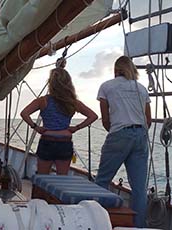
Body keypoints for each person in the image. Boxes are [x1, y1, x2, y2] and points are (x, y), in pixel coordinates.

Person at [95, 56, 151, 227]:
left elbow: (105, 120)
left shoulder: (106, 87)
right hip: (141, 135)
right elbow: (148, 120)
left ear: (116, 69)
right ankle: (138, 226)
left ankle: (99, 221)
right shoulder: (141, 89)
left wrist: (117, 133)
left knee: (103, 180)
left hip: (119, 133)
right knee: (139, 189)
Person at [20, 67, 98, 175]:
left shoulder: (43, 101)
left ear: (51, 83)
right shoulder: (73, 102)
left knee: (42, 177)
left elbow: (24, 113)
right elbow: (93, 116)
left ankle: (41, 192)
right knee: (62, 178)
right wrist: (76, 128)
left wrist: (36, 127)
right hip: (65, 142)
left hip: (47, 140)